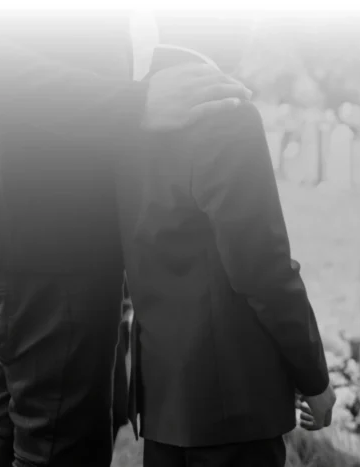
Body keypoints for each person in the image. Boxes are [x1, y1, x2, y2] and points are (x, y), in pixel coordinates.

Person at [0, 10, 252, 467]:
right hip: (46, 240)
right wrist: (133, 105)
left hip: (7, 236)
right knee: (58, 451)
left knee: (2, 441)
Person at [114, 15, 337, 467]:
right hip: (233, 396)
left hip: (164, 395)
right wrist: (313, 376)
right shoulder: (222, 110)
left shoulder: (128, 111)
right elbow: (261, 266)